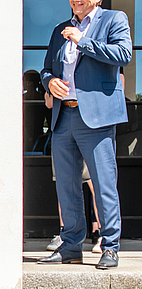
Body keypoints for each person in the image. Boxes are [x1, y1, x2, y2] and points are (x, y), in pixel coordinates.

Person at [38, 0, 131, 270]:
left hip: (97, 117)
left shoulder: (114, 20)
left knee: (104, 184)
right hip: (64, 116)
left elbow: (123, 54)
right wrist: (49, 81)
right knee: (66, 185)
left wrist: (83, 40)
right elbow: (46, 68)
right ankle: (71, 245)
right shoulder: (59, 29)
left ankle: (111, 245)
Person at [44, 91, 102, 255]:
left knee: (93, 183)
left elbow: (49, 102)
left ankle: (100, 234)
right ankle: (70, 235)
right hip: (67, 128)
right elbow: (49, 103)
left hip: (86, 128)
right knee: (68, 184)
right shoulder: (55, 73)